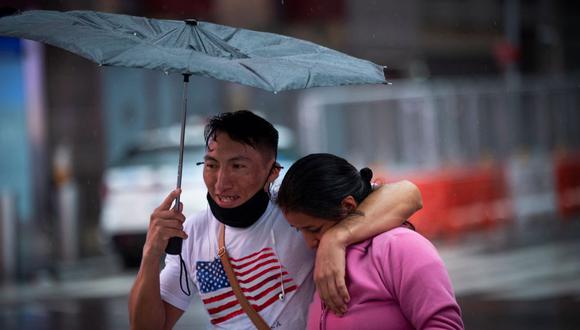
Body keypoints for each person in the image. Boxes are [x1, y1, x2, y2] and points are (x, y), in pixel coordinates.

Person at [129, 111, 423, 329]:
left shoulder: (295, 211)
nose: (220, 183)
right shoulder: (192, 233)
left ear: (272, 173)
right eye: (211, 165)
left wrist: (336, 237)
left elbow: (408, 194)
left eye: (238, 166)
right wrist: (150, 254)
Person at [277, 153, 464, 330]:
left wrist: (335, 239)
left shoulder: (401, 247)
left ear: (348, 206)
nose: (309, 243)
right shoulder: (318, 259)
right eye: (299, 230)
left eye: (314, 229)